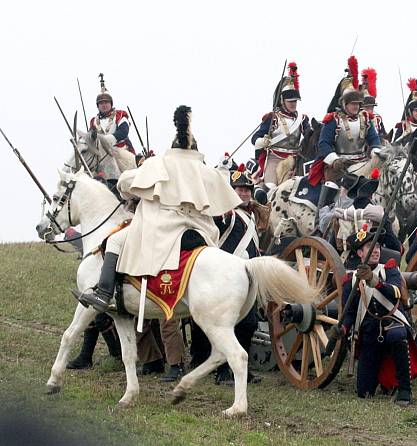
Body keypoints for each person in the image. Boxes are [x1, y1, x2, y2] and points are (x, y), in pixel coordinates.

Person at [75, 105, 242, 312]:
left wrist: (136, 189)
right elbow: (223, 191)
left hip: (163, 230)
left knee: (115, 240)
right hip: (202, 233)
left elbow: (125, 183)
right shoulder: (207, 172)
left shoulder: (158, 164)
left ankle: (103, 294)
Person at [190, 165, 265, 384]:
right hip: (224, 279)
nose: (244, 193)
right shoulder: (226, 214)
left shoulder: (251, 217)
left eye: (247, 190)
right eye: (239, 190)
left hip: (247, 278)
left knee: (249, 324)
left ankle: (241, 367)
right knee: (226, 325)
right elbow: (215, 223)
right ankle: (222, 372)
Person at [340, 227, 413, 405]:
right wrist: (342, 328)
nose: (377, 251)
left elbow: (396, 292)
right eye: (370, 248)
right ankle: (383, 382)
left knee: (397, 335)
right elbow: (349, 313)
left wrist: (374, 281)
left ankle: (405, 389)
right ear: (359, 252)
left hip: (391, 323)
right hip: (370, 335)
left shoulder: (389, 269)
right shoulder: (351, 281)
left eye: (378, 246)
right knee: (364, 392)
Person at [312, 56, 381, 206]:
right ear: (344, 103)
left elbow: (374, 139)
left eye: (358, 103)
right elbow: (324, 143)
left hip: (363, 162)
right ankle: (320, 219)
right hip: (338, 165)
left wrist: (375, 151)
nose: (356, 107)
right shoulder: (332, 120)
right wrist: (334, 159)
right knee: (330, 187)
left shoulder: (365, 118)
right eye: (352, 104)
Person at [251, 62, 311, 188]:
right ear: (282, 101)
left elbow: (309, 135)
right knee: (270, 186)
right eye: (290, 101)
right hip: (275, 157)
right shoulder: (272, 118)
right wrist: (263, 141)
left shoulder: (302, 119)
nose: (293, 104)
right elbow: (255, 138)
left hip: (295, 158)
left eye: (295, 101)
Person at [360, 68, 387, 139]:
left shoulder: (378, 119)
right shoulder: (356, 119)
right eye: (367, 108)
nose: (370, 110)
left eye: (371, 108)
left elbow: (383, 134)